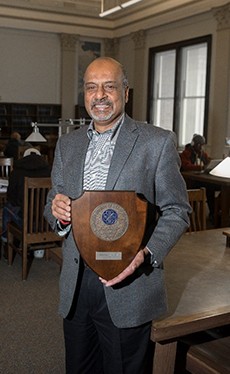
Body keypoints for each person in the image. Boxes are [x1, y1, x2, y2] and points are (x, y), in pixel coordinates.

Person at [44, 57, 191, 374]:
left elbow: (178, 211)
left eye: (109, 86)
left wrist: (146, 255)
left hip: (130, 282)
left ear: (126, 92)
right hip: (77, 282)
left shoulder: (156, 142)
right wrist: (57, 212)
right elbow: (53, 199)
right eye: (91, 87)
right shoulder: (67, 145)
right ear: (84, 94)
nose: (100, 95)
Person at [1, 148, 51, 258]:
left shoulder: (17, 172)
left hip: (25, 222)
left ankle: (5, 241)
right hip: (46, 221)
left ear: (24, 157)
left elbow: (11, 197)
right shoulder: (50, 171)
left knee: (6, 208)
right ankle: (39, 243)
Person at [180, 134, 218, 223]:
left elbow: (208, 162)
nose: (201, 147)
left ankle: (215, 213)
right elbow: (186, 166)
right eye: (200, 145)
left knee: (213, 187)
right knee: (209, 187)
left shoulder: (201, 153)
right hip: (190, 181)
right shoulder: (185, 154)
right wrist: (200, 167)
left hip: (199, 179)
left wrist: (210, 164)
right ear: (196, 145)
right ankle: (212, 213)